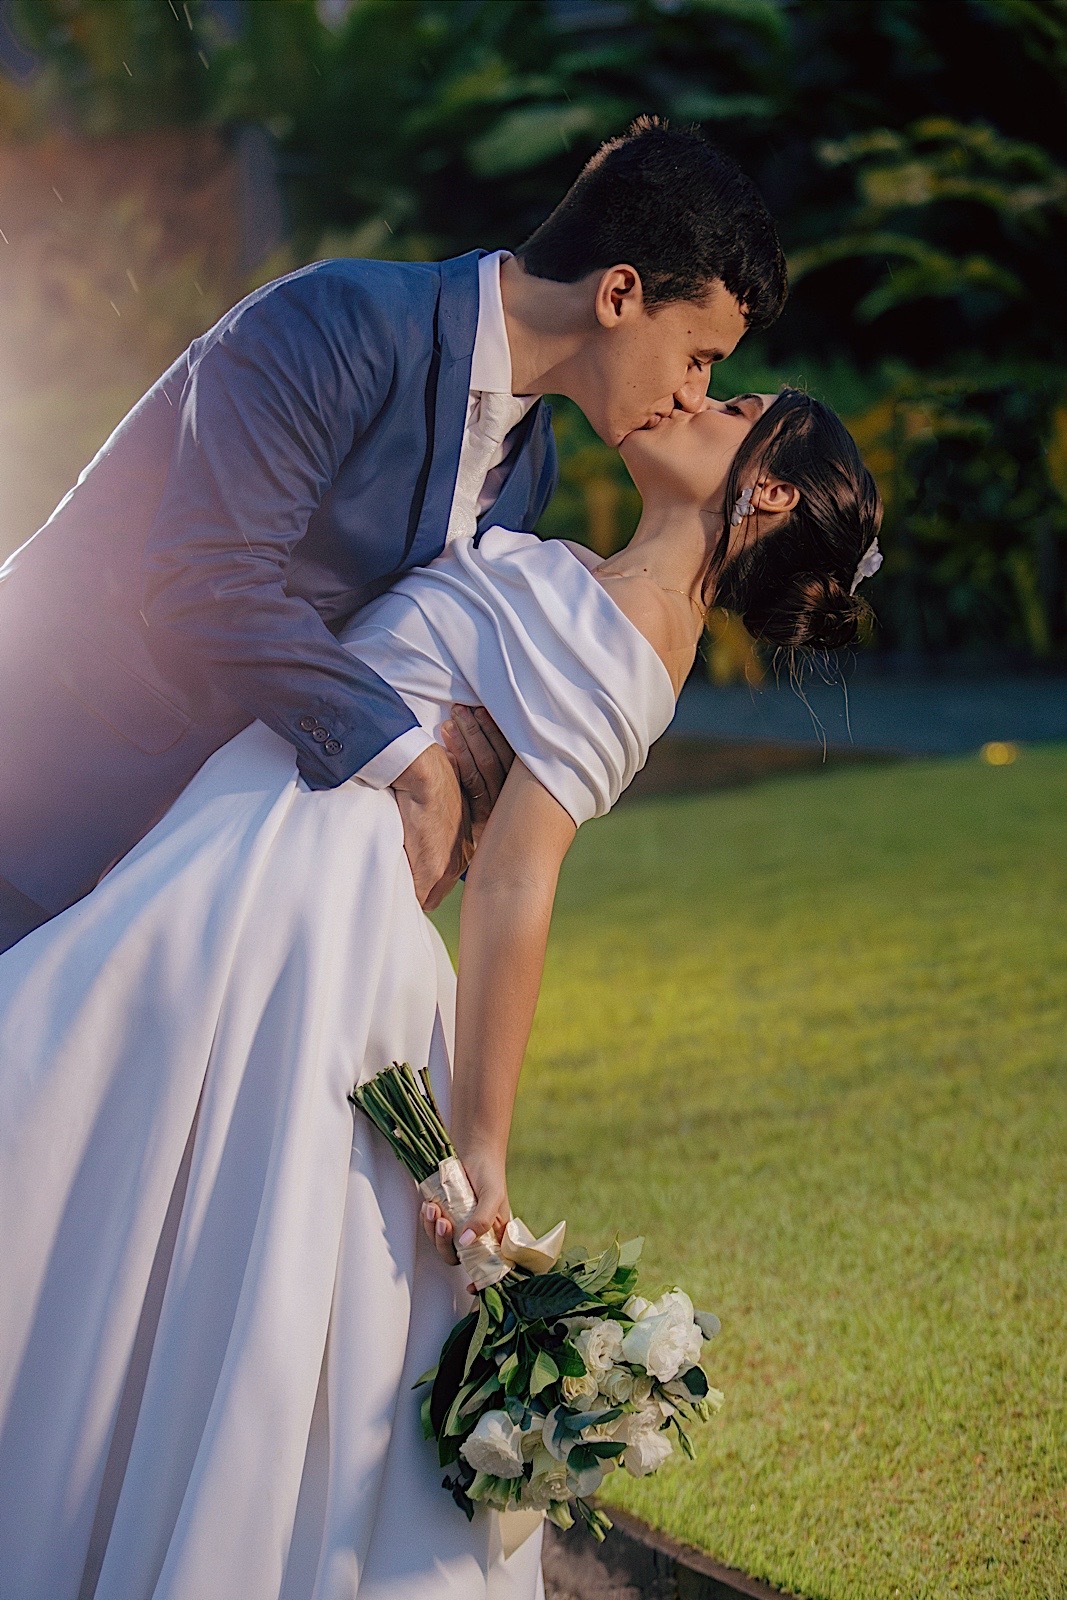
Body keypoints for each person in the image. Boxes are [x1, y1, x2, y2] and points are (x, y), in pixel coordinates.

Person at [0, 384, 881, 1600]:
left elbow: (516, 883)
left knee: (82, 1119)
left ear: (765, 491)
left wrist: (481, 1151)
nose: (688, 391)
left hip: (302, 888)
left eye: (727, 400)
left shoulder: (641, 638)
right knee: (124, 1178)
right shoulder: (592, 573)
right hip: (248, 831)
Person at [0, 116, 787, 954]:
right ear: (618, 294)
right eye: (698, 356)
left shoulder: (529, 467)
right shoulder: (337, 321)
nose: (697, 395)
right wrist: (415, 765)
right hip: (45, 781)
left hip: (207, 870)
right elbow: (208, 582)